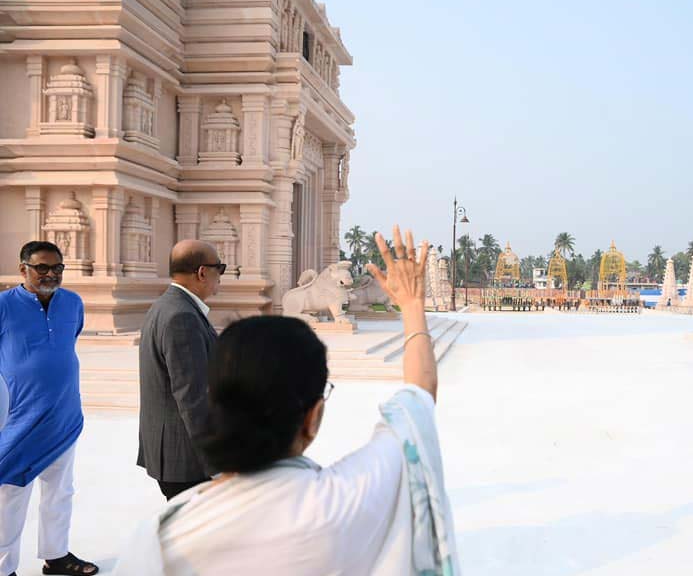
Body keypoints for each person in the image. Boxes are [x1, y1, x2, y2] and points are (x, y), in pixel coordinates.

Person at [115, 225, 458, 575]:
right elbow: (418, 400)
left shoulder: (158, 542)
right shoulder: (344, 502)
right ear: (313, 418)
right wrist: (413, 306)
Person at [0, 241, 98, 576]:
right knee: (11, 495)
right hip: (19, 418)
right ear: (23, 267)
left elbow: (68, 342)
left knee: (60, 490)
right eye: (42, 267)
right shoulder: (3, 306)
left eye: (57, 268)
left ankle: (56, 557)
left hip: (64, 414)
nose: (50, 274)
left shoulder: (72, 303)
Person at [137, 240, 223, 500]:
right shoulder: (181, 316)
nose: (221, 277)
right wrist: (218, 462)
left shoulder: (167, 306)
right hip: (187, 462)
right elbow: (191, 397)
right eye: (220, 268)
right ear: (202, 272)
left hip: (177, 455)